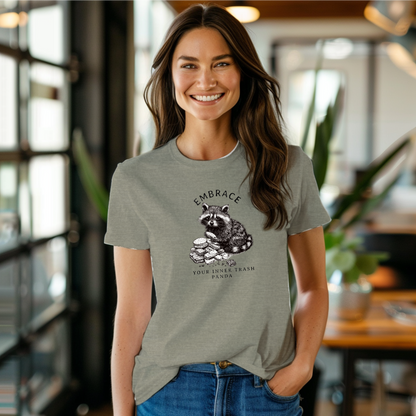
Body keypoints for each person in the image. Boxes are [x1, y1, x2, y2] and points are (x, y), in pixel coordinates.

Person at [104, 3, 332, 416]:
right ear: (170, 75)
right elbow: (132, 313)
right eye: (188, 65)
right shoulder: (136, 179)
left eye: (221, 63)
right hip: (170, 389)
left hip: (265, 390)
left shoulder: (288, 167)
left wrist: (301, 367)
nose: (205, 80)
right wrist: (122, 411)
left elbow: (314, 286)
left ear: (242, 71)